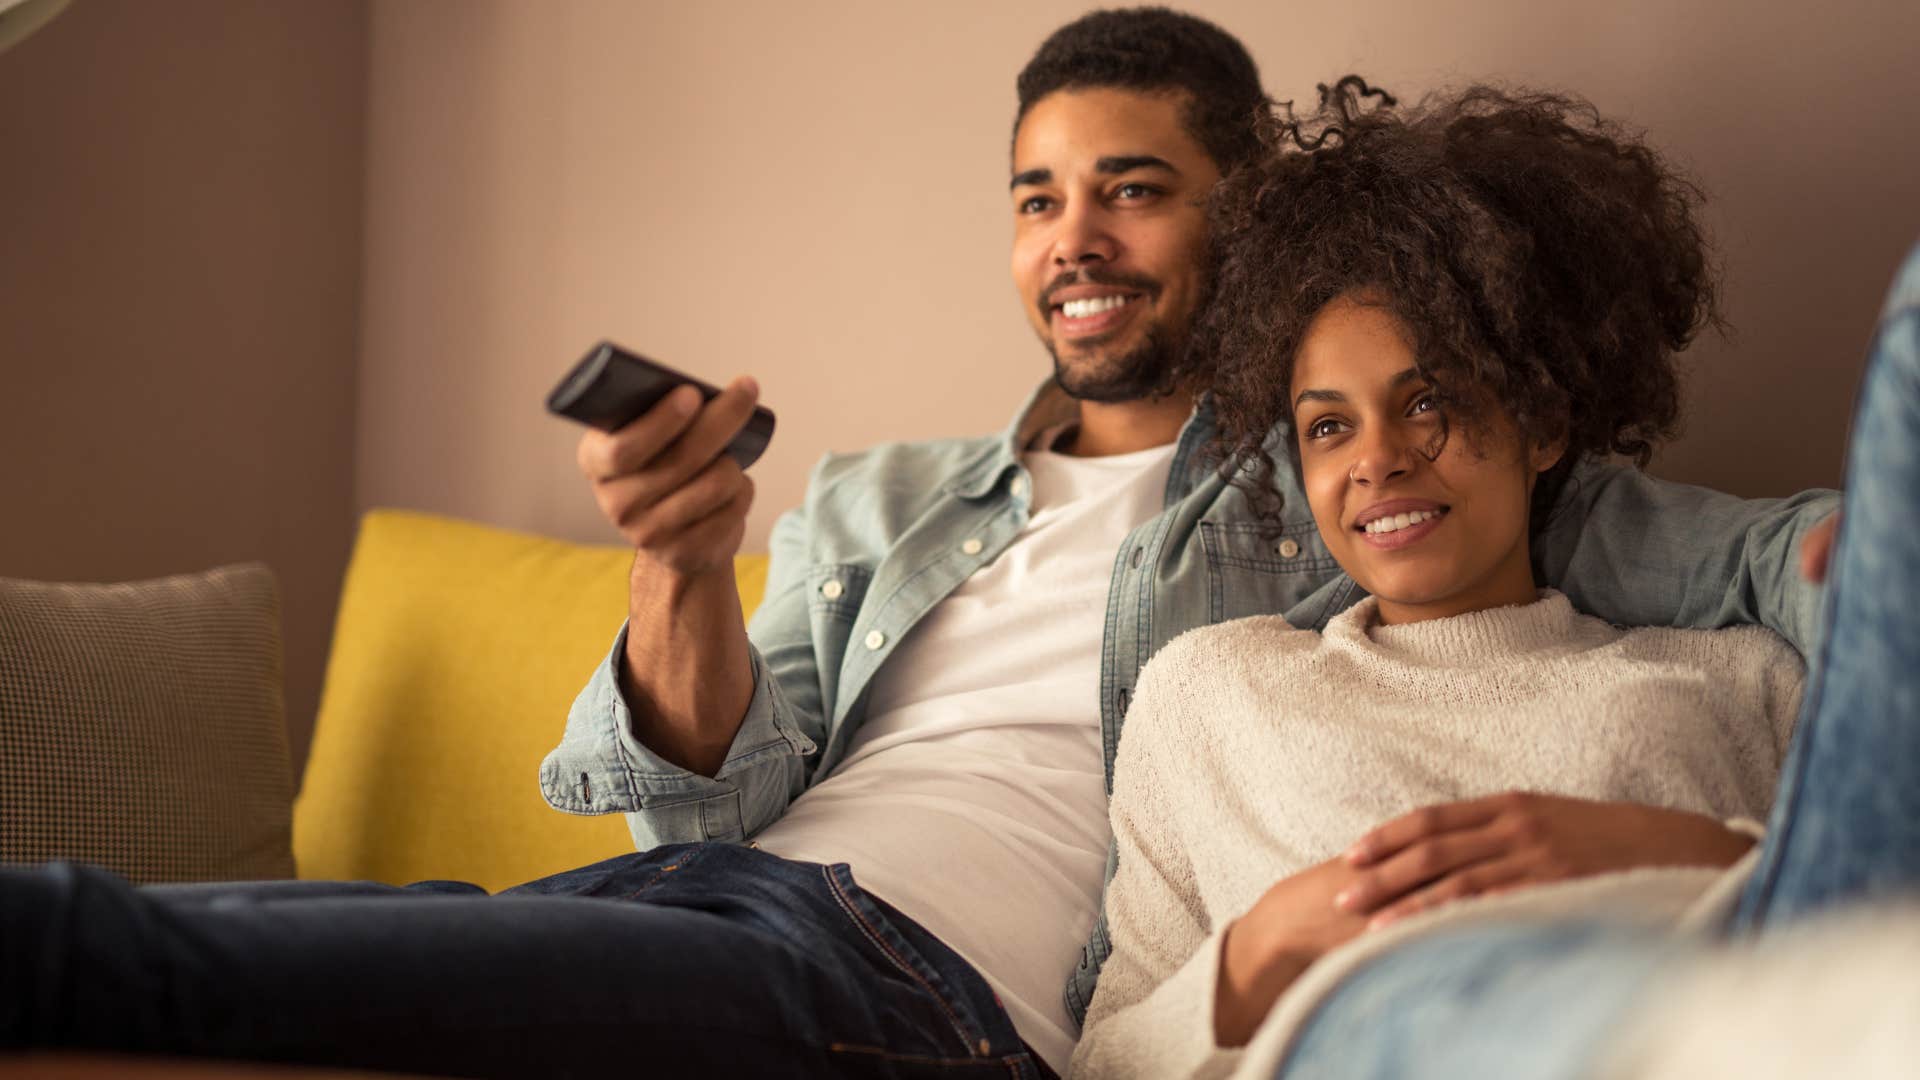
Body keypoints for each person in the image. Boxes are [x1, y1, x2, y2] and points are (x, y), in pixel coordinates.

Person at [0, 11, 1838, 1079]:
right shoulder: (881, 499)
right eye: (1038, 197)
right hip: (729, 911)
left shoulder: (1348, 471)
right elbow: (701, 810)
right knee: (297, 956)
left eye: (1133, 186)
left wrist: (1837, 563)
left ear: (1243, 212)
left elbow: (1773, 570)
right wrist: (681, 567)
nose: (1077, 237)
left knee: (168, 962)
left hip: (917, 989)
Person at [1071, 81, 1912, 1080]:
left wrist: (1676, 850)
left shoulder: (1739, 675)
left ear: (1543, 425)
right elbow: (1103, 1059)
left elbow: (1853, 904)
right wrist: (1255, 959)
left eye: (1426, 402)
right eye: (1329, 426)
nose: (1375, 460)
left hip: (1734, 993)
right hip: (1392, 1017)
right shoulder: (1210, 689)